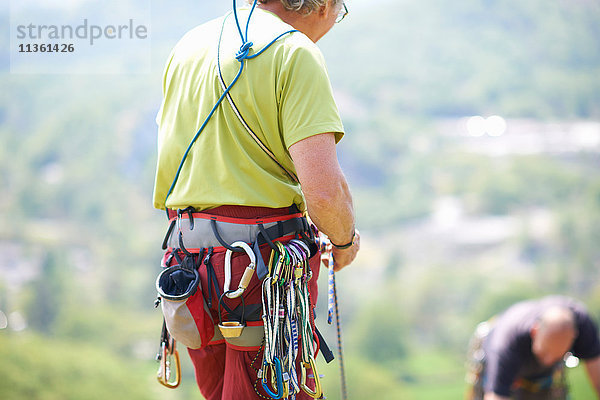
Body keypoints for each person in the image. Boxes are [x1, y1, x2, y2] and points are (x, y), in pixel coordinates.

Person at [152, 0, 359, 399]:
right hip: (260, 271)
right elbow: (323, 192)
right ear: (322, 5)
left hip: (188, 268)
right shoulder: (294, 51)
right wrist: (345, 240)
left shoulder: (189, 45)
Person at [466, 296, 600, 400]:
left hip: (543, 381)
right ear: (534, 332)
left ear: (574, 337)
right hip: (503, 364)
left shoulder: (583, 325)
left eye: (557, 356)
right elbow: (496, 395)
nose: (548, 361)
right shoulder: (505, 343)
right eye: (545, 352)